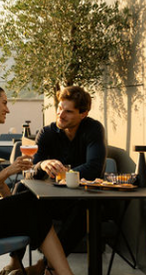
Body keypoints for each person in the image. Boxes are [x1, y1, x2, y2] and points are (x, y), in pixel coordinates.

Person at [0, 84, 75, 275]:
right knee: (32, 203)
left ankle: (56, 270)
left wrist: (12, 201)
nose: (7, 109)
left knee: (32, 200)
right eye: (4, 103)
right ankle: (60, 272)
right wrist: (9, 171)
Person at [30, 85, 106, 254]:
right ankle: (15, 259)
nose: (60, 115)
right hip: (53, 198)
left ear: (83, 114)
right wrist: (42, 165)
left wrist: (63, 175)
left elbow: (94, 167)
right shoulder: (46, 132)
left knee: (85, 209)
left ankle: (47, 266)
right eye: (59, 108)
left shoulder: (93, 129)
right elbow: (32, 169)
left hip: (81, 198)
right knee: (23, 192)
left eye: (68, 112)